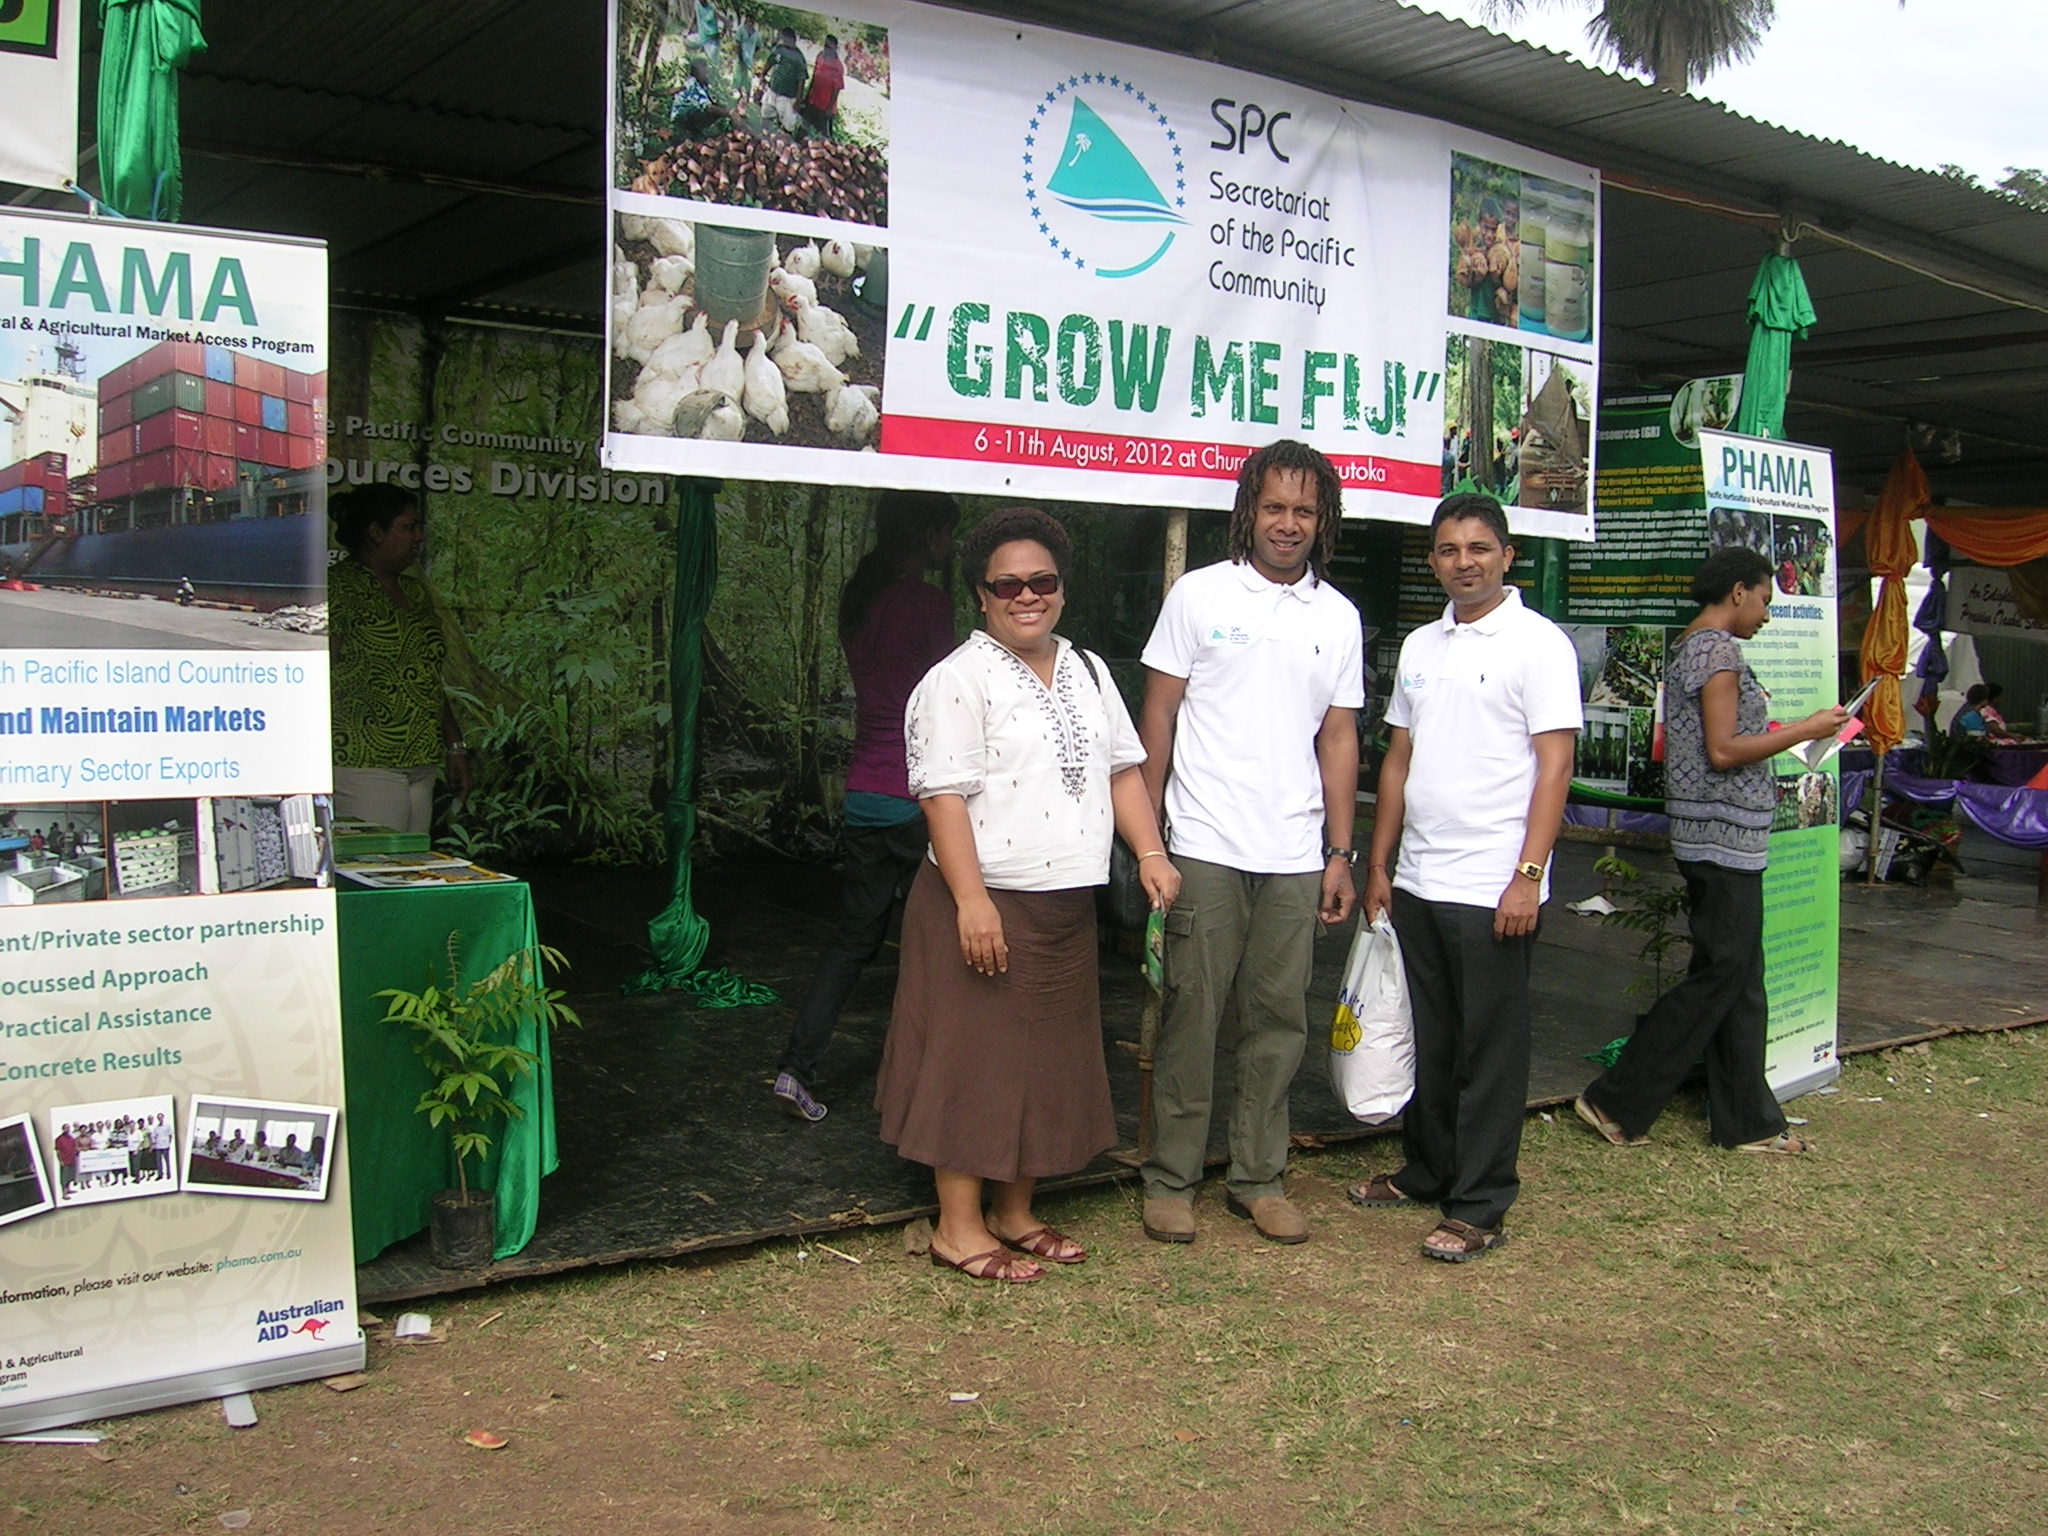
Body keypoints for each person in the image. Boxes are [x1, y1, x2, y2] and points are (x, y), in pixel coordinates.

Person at [877, 507, 1177, 1283]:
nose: (1026, 596)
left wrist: (1148, 850)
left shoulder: (1088, 671)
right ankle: (957, 1225)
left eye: (1041, 581)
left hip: (1063, 906)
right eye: (1007, 584)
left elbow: (1121, 770)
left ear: (1061, 590)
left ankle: (1014, 1213)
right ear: (981, 595)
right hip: (981, 903)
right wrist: (972, 901)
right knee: (971, 1063)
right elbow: (943, 796)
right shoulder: (956, 680)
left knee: (1045, 1062)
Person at [1137, 440, 1363, 1247]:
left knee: (1278, 1020)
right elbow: (1158, 714)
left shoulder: (1337, 617)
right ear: (1249, 509)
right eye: (1275, 506)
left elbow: (1338, 737)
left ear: (1322, 519)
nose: (1288, 523)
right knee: (1192, 1014)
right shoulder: (1199, 595)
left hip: (1298, 856)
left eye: (1305, 510)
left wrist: (1341, 851)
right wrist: (1148, 838)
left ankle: (1258, 1177)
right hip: (1201, 841)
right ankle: (1170, 1178)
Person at [1353, 492, 1581, 1262]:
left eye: (1479, 548)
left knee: (1490, 1050)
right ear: (1434, 561)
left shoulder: (1539, 645)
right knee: (1434, 1039)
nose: (1464, 562)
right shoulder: (1421, 646)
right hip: (1419, 877)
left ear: (1507, 556)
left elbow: (1555, 767)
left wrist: (1527, 874)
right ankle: (1427, 1171)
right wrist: (1379, 863)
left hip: (1493, 884)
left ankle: (1479, 1204)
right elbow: (1398, 760)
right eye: (1449, 550)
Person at [1575, 549, 1849, 1157]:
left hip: (1725, 835)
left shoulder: (1702, 648)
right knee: (1723, 971)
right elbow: (1724, 750)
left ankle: (1748, 1120)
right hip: (1720, 838)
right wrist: (1806, 729)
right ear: (1737, 592)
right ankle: (1614, 1097)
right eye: (1764, 600)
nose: (1766, 616)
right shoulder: (1716, 650)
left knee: (1742, 978)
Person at [772, 491, 961, 1123]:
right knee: (944, 937)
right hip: (915, 795)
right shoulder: (928, 605)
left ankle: (796, 1067)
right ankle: (931, 1081)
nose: (947, 549)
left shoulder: (861, 597)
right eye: (944, 535)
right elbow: (945, 698)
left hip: (864, 795)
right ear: (928, 533)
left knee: (857, 938)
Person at [328, 484, 470, 836]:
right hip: (364, 761)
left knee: (412, 870)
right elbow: (319, 674)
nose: (418, 537)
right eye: (408, 527)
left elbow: (426, 676)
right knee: (377, 868)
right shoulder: (338, 590)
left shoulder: (415, 593)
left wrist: (454, 746)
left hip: (421, 760)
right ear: (376, 532)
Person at [760, 28, 808, 134]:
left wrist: (798, 100)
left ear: (793, 40)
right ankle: (763, 137)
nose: (785, 41)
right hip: (773, 90)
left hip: (788, 96)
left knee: (788, 126)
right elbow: (770, 61)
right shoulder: (779, 49)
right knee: (766, 115)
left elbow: (802, 80)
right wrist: (762, 75)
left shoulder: (799, 58)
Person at [798, 34, 845, 138]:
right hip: (813, 101)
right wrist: (807, 97)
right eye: (826, 45)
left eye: (829, 47)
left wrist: (829, 108)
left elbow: (836, 89)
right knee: (803, 128)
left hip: (825, 107)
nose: (827, 49)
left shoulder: (838, 66)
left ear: (835, 48)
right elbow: (814, 78)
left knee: (824, 137)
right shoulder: (820, 56)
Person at [54, 1124, 78, 1195]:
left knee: (70, 1176)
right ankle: (64, 1194)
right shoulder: (59, 1139)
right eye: (66, 1128)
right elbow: (57, 1151)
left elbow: (74, 1147)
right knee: (64, 1178)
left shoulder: (71, 1138)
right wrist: (60, 1160)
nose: (67, 1129)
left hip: (72, 1160)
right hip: (64, 1161)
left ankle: (68, 1189)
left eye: (68, 1128)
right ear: (63, 1129)